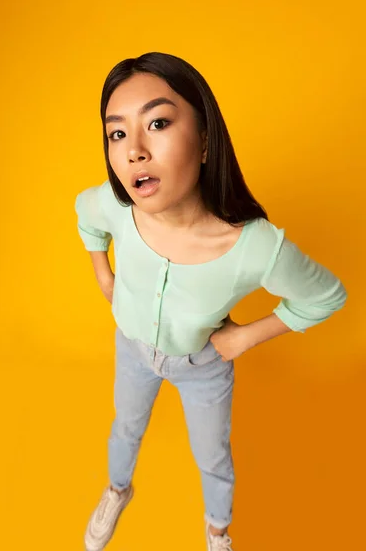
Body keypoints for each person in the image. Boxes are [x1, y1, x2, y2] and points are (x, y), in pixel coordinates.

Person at [74, 52, 347, 551]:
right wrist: (103, 274)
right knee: (125, 430)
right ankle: (117, 490)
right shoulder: (115, 206)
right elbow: (85, 213)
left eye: (157, 122)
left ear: (203, 140)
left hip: (201, 366)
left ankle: (218, 532)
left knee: (212, 456)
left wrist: (243, 336)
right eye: (117, 133)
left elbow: (325, 296)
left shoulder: (255, 246)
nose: (133, 151)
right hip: (132, 349)